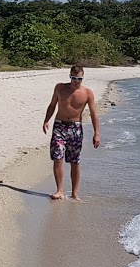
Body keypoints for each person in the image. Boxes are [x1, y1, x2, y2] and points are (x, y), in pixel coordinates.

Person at [41, 65, 100, 200]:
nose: (76, 81)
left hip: (75, 128)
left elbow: (93, 114)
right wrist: (46, 120)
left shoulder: (87, 93)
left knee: (75, 161)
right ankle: (60, 190)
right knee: (58, 158)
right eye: (74, 78)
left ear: (82, 78)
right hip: (59, 126)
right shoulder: (60, 88)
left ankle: (74, 193)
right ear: (70, 76)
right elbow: (52, 105)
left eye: (79, 79)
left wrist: (97, 133)